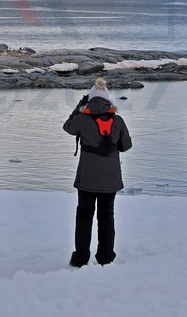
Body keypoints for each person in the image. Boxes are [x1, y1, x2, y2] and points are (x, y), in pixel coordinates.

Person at [63, 77, 132, 267]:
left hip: (87, 179)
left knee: (84, 216)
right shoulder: (118, 121)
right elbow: (126, 146)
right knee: (106, 216)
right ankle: (105, 257)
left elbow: (67, 126)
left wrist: (79, 108)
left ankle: (80, 258)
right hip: (110, 179)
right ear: (109, 101)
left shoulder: (82, 120)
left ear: (90, 100)